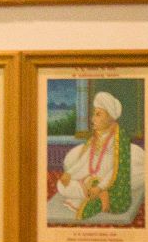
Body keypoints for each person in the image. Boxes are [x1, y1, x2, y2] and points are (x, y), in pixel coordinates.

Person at [56, 91, 131, 219]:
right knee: (61, 185)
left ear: (110, 118)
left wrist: (101, 187)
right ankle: (90, 194)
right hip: (90, 180)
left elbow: (116, 171)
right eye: (93, 114)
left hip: (109, 185)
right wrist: (70, 174)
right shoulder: (95, 138)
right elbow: (84, 162)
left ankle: (101, 196)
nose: (92, 119)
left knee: (93, 195)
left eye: (98, 114)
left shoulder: (118, 139)